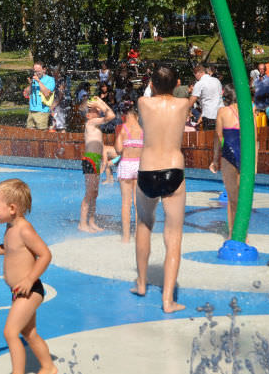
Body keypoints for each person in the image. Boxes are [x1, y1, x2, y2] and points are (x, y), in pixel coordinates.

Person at [0, 179, 55, 374]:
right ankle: (48, 367)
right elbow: (12, 249)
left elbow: (45, 254)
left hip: (30, 290)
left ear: (12, 208)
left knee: (10, 332)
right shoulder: (10, 227)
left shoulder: (24, 229)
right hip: (19, 291)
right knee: (29, 333)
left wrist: (29, 279)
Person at [132, 65, 189, 313]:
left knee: (144, 224)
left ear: (152, 84)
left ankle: (142, 283)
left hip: (147, 169)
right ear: (177, 83)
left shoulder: (143, 103)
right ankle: (168, 301)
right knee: (174, 237)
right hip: (173, 169)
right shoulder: (184, 104)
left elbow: (149, 98)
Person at [209, 84, 256, 238]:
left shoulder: (223, 112)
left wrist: (215, 159)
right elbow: (255, 139)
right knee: (244, 197)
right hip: (246, 156)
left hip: (229, 155)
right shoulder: (250, 109)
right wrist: (254, 163)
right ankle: (244, 234)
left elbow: (219, 138)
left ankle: (232, 234)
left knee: (232, 198)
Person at [79, 96, 115, 232]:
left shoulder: (95, 125)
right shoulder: (91, 123)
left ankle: (92, 221)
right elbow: (111, 115)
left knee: (94, 193)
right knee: (89, 193)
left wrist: (99, 104)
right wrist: (102, 103)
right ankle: (82, 223)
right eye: (95, 109)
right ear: (88, 115)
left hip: (96, 159)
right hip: (90, 159)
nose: (99, 110)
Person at [113, 100, 142, 243]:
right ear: (137, 116)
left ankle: (125, 237)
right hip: (139, 166)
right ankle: (137, 234)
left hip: (126, 165)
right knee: (138, 203)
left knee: (126, 203)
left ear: (126, 115)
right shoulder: (143, 130)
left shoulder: (124, 129)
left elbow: (118, 149)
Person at [22, 62, 55, 130]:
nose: (36, 73)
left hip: (42, 111)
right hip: (31, 110)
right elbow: (26, 93)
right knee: (29, 132)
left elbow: (46, 93)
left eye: (38, 71)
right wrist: (31, 84)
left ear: (44, 70)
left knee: (41, 133)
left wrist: (38, 81)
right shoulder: (33, 80)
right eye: (35, 71)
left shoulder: (50, 80)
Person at [189, 64, 221, 131]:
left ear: (197, 73)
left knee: (209, 138)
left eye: (194, 74)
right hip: (220, 114)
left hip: (209, 116)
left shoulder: (200, 83)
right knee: (218, 137)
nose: (195, 77)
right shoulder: (217, 81)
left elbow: (191, 102)